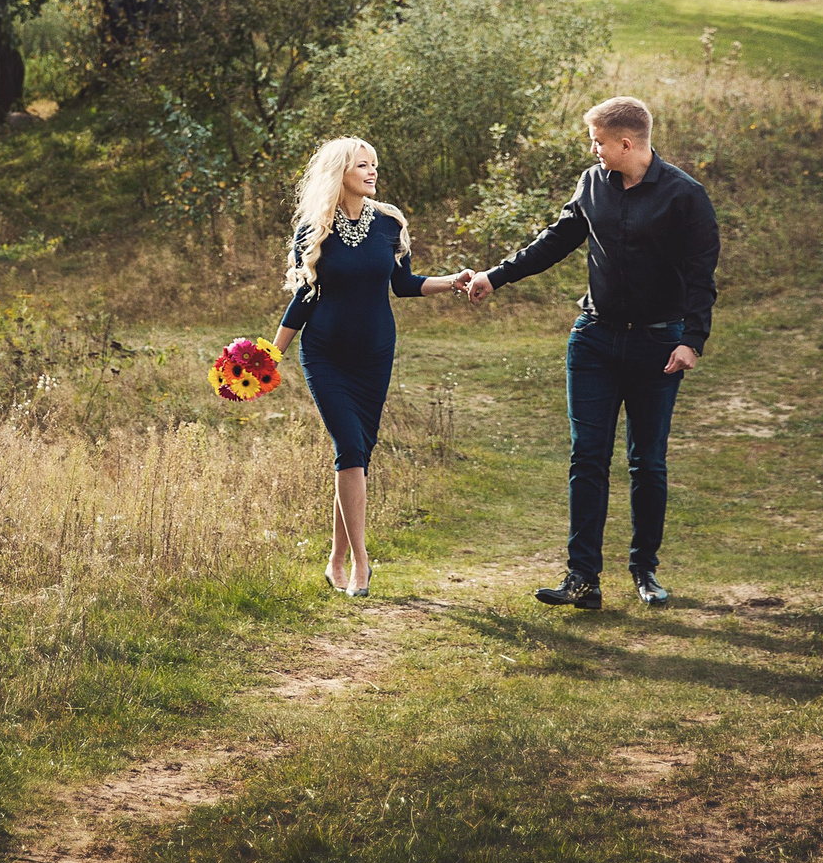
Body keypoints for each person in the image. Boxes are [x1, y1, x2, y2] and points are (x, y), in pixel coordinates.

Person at [465, 95, 719, 610]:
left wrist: (692, 339)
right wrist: (497, 275)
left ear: (627, 143)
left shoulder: (685, 196)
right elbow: (556, 241)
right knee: (587, 457)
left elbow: (700, 275)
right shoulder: (591, 183)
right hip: (595, 340)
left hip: (657, 344)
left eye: (598, 141)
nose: (593, 149)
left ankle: (644, 571)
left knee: (646, 462)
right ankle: (582, 578)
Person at [273, 137, 475, 597]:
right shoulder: (315, 228)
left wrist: (452, 282)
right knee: (349, 448)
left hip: (374, 354)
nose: (372, 172)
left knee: (358, 457)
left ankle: (336, 560)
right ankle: (363, 564)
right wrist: (271, 353)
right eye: (362, 165)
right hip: (324, 353)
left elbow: (402, 285)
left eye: (374, 165)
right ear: (340, 171)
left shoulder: (388, 224)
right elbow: (303, 298)